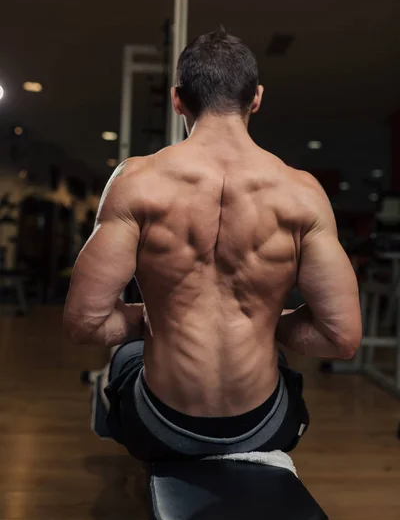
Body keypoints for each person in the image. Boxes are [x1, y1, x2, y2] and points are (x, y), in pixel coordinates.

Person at [63, 28, 362, 462]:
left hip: (161, 422)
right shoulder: (303, 194)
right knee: (279, 371)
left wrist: (162, 317)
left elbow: (84, 325)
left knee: (124, 359)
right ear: (255, 98)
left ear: (177, 99)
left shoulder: (135, 184)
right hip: (262, 422)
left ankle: (112, 416)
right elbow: (340, 339)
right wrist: (258, 322)